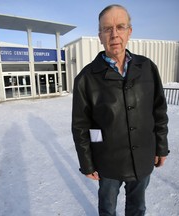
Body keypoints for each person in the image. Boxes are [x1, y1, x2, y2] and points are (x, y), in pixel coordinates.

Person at [71, 4, 169, 216]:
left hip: (143, 157)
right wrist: (87, 163)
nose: (114, 34)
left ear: (129, 31)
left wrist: (161, 147)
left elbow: (159, 111)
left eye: (120, 27)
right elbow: (80, 126)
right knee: (107, 208)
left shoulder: (148, 68)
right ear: (100, 35)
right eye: (107, 29)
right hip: (107, 163)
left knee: (138, 207)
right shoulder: (86, 78)